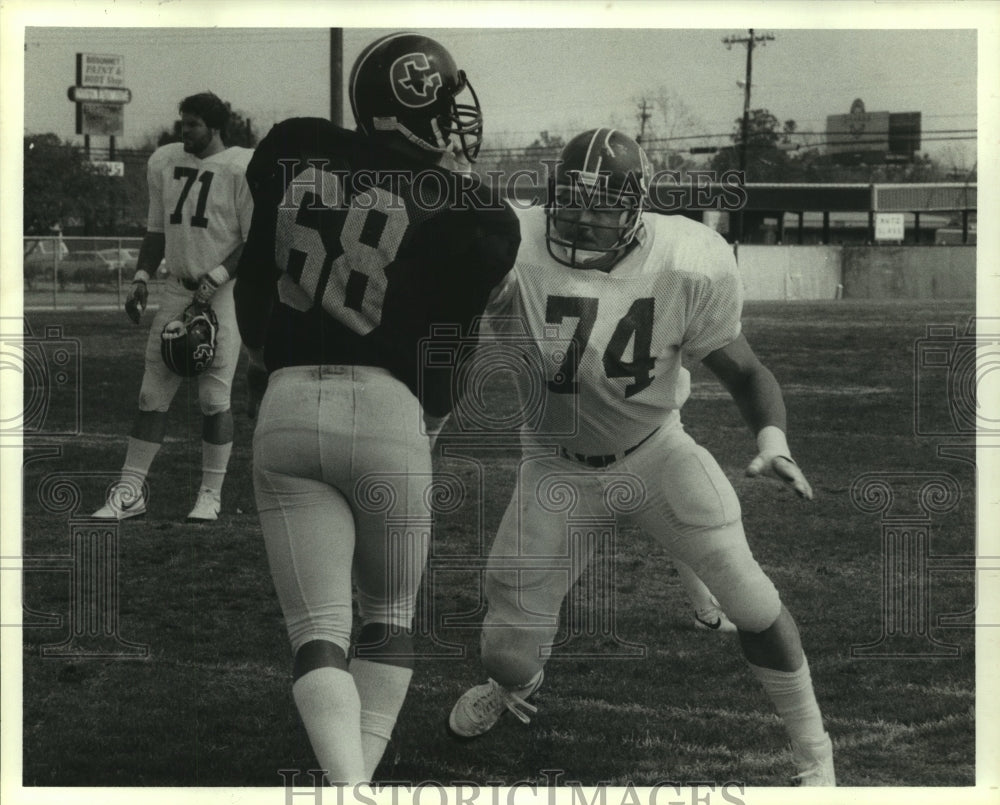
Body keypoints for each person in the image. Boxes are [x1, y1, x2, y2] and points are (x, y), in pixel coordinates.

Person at [447, 128, 835, 787]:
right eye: (572, 201)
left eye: (602, 205)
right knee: (505, 653)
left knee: (752, 597)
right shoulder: (513, 239)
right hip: (555, 465)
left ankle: (815, 754)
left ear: (636, 207)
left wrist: (773, 440)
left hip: (655, 450)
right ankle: (515, 683)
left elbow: (745, 373)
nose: (583, 218)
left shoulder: (689, 257)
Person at [232, 32, 520, 785]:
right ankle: (354, 783)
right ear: (418, 109)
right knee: (386, 615)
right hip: (389, 415)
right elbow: (443, 365)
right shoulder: (473, 211)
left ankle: (347, 785)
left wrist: (270, 367)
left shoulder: (295, 147)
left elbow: (254, 291)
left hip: (287, 407)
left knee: (316, 632)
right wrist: (426, 420)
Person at [93, 92, 253, 522]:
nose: (184, 131)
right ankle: (129, 492)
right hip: (177, 291)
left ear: (216, 129)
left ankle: (210, 493)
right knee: (151, 394)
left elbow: (254, 242)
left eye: (194, 125)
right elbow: (156, 229)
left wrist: (216, 278)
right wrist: (142, 277)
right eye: (183, 122)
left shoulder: (240, 167)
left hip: (221, 292)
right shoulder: (165, 162)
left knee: (213, 399)